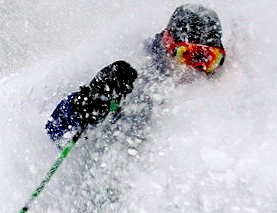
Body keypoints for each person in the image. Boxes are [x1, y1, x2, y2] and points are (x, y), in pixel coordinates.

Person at [45, 4, 226, 145]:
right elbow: (54, 131)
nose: (196, 69)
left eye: (209, 59)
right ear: (167, 45)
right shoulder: (134, 75)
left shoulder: (223, 89)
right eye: (188, 55)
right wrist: (85, 104)